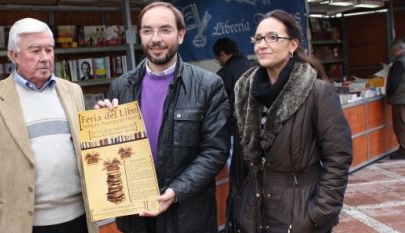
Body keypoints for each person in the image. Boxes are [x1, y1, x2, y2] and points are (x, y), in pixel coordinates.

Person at [96, 2, 230, 233]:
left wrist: (176, 191)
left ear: (180, 34)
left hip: (188, 217)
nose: (155, 38)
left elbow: (215, 151)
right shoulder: (121, 86)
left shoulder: (208, 86)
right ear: (140, 35)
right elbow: (114, 156)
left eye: (165, 30)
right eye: (147, 30)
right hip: (135, 218)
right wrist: (102, 129)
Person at [0, 18, 98, 233]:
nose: (44, 58)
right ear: (13, 55)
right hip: (24, 224)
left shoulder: (73, 91)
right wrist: (11, 199)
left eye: (48, 49)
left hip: (79, 218)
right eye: (35, 51)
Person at [229, 10, 352, 233]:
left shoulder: (317, 92)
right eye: (258, 38)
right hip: (253, 214)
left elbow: (338, 158)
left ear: (293, 45)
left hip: (299, 216)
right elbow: (240, 163)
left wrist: (319, 214)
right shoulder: (245, 93)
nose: (262, 45)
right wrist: (237, 208)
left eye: (272, 37)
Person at [212, 38, 253, 220]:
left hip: (233, 131)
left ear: (223, 54)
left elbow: (220, 107)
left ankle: (240, 214)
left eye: (218, 58)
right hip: (258, 130)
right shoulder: (256, 67)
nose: (219, 61)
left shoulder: (225, 73)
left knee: (235, 176)